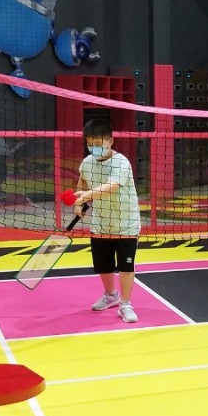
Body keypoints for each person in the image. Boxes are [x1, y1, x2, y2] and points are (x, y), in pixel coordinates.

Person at [73, 116, 141, 324]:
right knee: (103, 265)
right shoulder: (87, 163)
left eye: (98, 143)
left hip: (126, 223)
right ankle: (111, 295)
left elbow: (111, 186)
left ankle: (126, 304)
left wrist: (87, 195)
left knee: (126, 266)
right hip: (101, 223)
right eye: (89, 144)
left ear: (110, 141)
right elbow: (82, 184)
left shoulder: (121, 163)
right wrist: (79, 203)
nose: (93, 148)